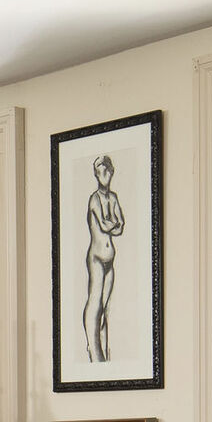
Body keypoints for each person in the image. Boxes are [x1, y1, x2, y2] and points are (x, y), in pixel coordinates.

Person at [82, 152, 125, 363]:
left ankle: (103, 355)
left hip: (110, 259)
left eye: (107, 171)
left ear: (111, 172)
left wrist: (113, 224)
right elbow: (107, 225)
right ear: (96, 175)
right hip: (97, 258)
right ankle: (92, 347)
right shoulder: (94, 199)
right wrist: (113, 223)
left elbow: (120, 227)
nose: (104, 175)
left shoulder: (113, 198)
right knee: (95, 302)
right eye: (100, 172)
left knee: (106, 306)